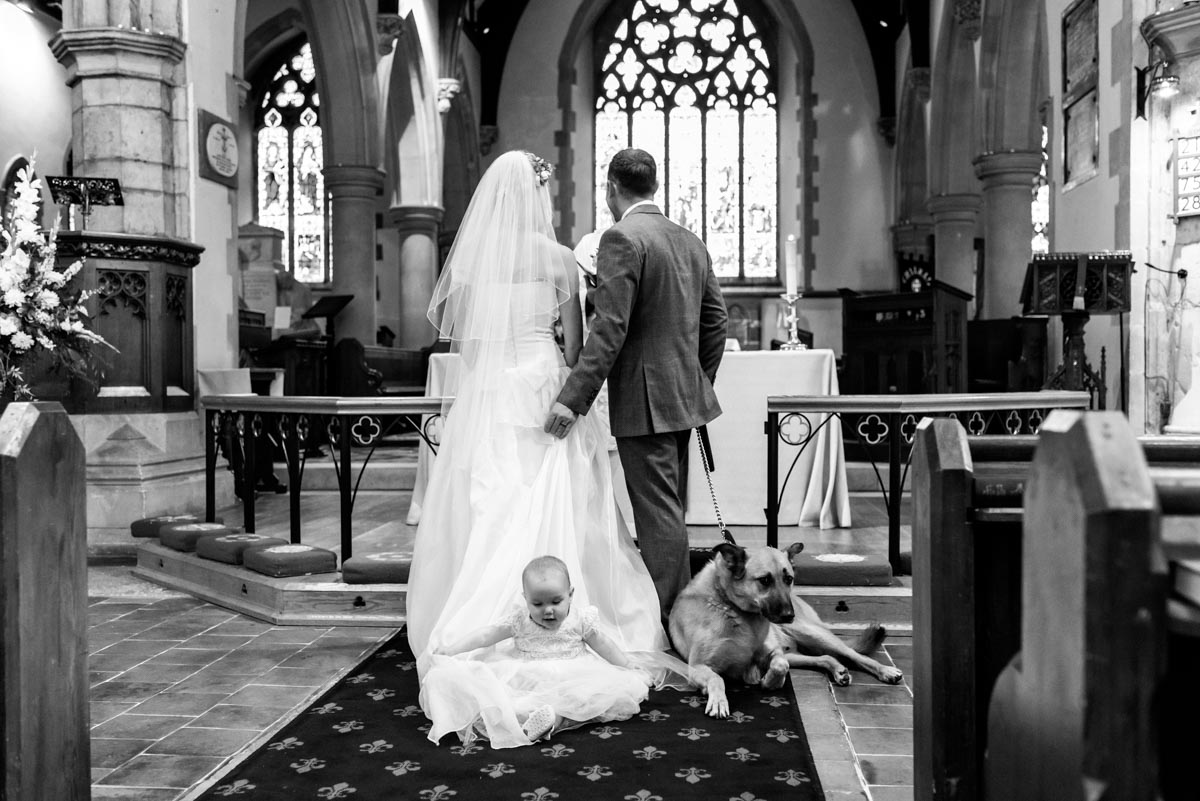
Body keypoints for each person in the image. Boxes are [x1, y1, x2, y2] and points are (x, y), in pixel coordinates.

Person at [406, 151, 670, 680]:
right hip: (544, 386)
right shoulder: (557, 258)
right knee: (565, 496)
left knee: (492, 500)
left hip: (493, 392)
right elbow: (575, 350)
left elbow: (473, 348)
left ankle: (483, 617)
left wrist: (493, 380)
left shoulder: (474, 261)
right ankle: (566, 608)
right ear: (538, 196)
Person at [545, 148, 728, 615]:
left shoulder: (621, 238)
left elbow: (610, 328)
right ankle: (688, 606)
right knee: (670, 509)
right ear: (654, 186)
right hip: (682, 400)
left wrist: (572, 400)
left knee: (659, 515)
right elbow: (716, 322)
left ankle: (678, 617)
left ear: (610, 188)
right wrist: (694, 379)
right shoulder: (690, 240)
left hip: (646, 404)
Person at [420, 555, 665, 748]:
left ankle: (552, 720)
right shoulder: (519, 621)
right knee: (512, 700)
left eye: (556, 602)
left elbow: (602, 643)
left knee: (585, 696)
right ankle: (541, 719)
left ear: (570, 595)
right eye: (537, 604)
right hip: (527, 672)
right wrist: (453, 649)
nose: (548, 611)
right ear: (525, 599)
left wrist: (624, 664)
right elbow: (486, 635)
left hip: (575, 671)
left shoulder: (580, 619)